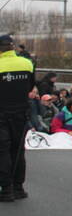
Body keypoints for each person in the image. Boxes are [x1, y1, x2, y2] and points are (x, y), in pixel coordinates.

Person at [0, 35, 34, 201]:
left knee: (3, 151)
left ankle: (6, 190)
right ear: (13, 47)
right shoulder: (27, 63)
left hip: (1, 113)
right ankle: (18, 187)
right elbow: (30, 85)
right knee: (18, 150)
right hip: (21, 112)